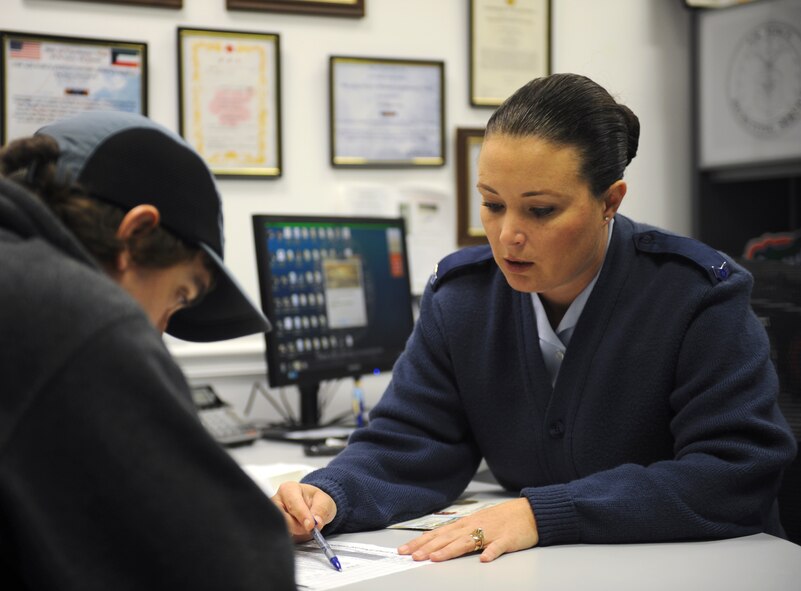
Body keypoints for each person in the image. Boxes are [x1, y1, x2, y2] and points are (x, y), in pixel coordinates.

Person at [273, 73, 798, 563]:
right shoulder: (461, 297)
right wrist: (331, 495)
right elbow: (411, 443)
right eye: (492, 204)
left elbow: (735, 471)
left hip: (700, 566)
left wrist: (542, 514)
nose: (507, 237)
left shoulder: (696, 293)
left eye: (540, 210)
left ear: (609, 201)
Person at [0, 111, 296, 589]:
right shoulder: (75, 315)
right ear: (135, 234)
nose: (159, 331)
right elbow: (237, 570)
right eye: (181, 295)